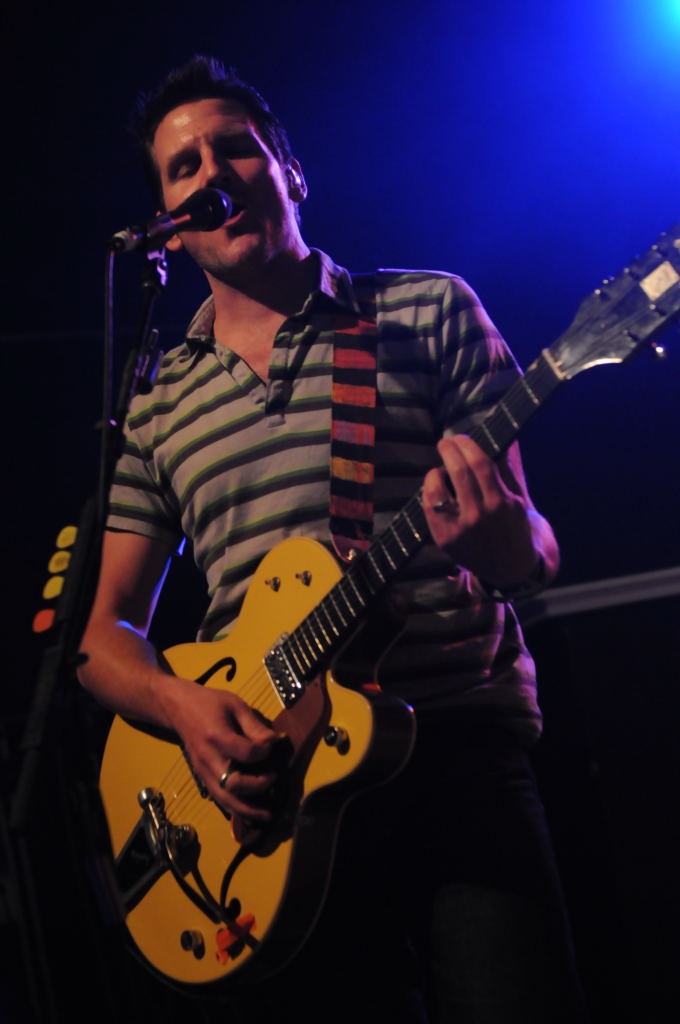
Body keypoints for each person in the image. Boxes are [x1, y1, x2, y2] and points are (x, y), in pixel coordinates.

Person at [79, 56, 586, 1023]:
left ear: (291, 173)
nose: (212, 173)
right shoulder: (155, 406)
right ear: (168, 221)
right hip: (271, 794)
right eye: (184, 167)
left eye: (235, 149)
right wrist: (186, 712)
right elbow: (101, 639)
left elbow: (533, 552)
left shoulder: (428, 310)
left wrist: (494, 543)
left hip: (456, 755)